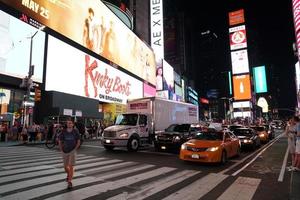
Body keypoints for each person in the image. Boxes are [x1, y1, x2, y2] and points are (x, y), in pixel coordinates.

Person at [58, 118, 81, 189]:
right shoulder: (63, 131)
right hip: (65, 150)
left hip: (72, 151)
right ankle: (68, 174)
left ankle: (70, 181)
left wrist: (75, 149)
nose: (69, 124)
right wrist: (61, 149)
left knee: (71, 166)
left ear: (73, 124)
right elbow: (60, 140)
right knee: (65, 167)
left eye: (70, 123)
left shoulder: (75, 131)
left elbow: (78, 141)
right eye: (68, 123)